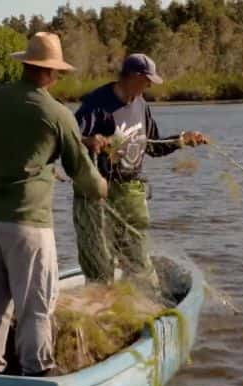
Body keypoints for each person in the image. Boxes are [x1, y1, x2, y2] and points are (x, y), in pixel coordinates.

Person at [0, 32, 107, 376]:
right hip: (28, 224)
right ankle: (38, 374)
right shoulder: (57, 114)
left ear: (25, 64)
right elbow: (84, 176)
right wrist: (103, 187)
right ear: (49, 72)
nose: (57, 77)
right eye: (57, 71)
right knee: (36, 307)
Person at [73, 54, 208, 287]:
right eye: (147, 81)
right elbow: (68, 139)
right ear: (134, 77)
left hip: (131, 192)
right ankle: (102, 312)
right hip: (97, 194)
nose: (149, 86)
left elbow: (153, 147)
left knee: (139, 263)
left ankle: (144, 311)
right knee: (99, 265)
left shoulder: (142, 105)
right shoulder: (96, 104)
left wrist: (182, 140)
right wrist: (88, 141)